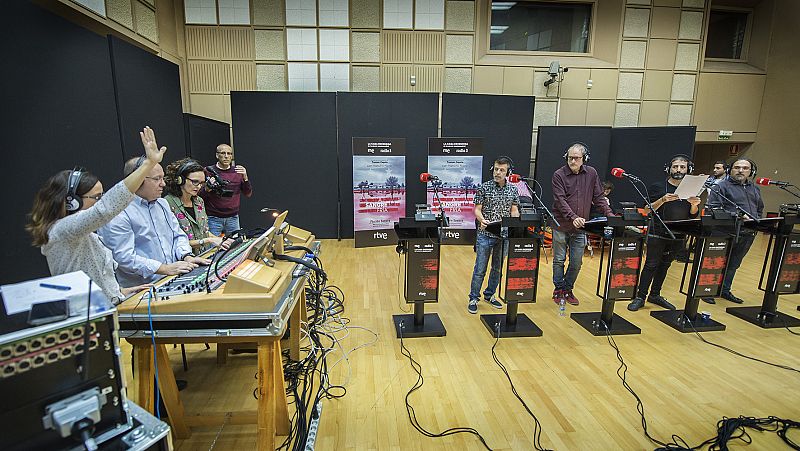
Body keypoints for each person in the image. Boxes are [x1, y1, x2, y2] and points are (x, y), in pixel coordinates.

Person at [26, 127, 166, 303]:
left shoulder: (78, 232)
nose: (100, 201)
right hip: (89, 317)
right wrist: (148, 165)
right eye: (96, 197)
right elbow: (105, 209)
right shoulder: (63, 229)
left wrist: (119, 291)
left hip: (104, 306)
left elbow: (94, 278)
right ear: (71, 201)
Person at [99, 154, 212, 287]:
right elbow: (124, 257)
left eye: (162, 178)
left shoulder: (162, 204)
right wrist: (164, 268)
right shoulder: (117, 212)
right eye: (157, 179)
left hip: (172, 278)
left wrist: (186, 256)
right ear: (137, 179)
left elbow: (178, 235)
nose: (163, 183)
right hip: (143, 289)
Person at [627, 155, 701, 311]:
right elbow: (647, 209)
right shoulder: (658, 186)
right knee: (651, 265)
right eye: (675, 166)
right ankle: (640, 297)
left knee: (665, 265)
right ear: (669, 168)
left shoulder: (692, 189)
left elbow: (693, 215)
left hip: (679, 234)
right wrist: (662, 200)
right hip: (658, 231)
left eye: (682, 167)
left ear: (688, 169)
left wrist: (694, 205)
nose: (678, 170)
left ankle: (655, 294)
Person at [551, 143, 613, 306]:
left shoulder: (591, 173)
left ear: (584, 159)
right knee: (558, 259)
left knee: (577, 261)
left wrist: (610, 215)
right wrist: (572, 216)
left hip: (581, 226)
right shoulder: (559, 175)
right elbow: (560, 200)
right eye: (570, 157)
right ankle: (558, 289)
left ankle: (567, 289)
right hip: (561, 224)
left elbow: (599, 197)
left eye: (576, 158)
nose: (572, 161)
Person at [705, 158, 764, 304]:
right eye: (737, 167)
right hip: (724, 232)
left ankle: (725, 290)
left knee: (734, 264)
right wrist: (736, 215)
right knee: (715, 264)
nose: (741, 170)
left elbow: (759, 208)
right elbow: (713, 208)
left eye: (745, 168)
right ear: (730, 169)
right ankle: (707, 291)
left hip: (747, 233)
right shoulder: (720, 187)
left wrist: (756, 220)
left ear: (751, 172)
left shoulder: (754, 188)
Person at [468, 156, 520, 314]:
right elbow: (477, 209)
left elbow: (514, 210)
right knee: (480, 268)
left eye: (501, 170)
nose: (497, 172)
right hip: (485, 233)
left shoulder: (513, 190)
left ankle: (490, 295)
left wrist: (515, 221)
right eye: (496, 169)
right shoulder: (484, 188)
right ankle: (473, 297)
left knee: (497, 268)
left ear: (508, 172)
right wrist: (482, 220)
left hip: (503, 236)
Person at [163, 158, 228, 255]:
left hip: (203, 255)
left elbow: (204, 231)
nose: (198, 186)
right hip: (184, 261)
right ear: (180, 180)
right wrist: (209, 240)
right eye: (195, 182)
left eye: (201, 183)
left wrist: (219, 239)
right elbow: (173, 241)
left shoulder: (199, 201)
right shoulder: (166, 203)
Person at [200, 144, 252, 236]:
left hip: (233, 217)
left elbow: (248, 193)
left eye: (229, 153)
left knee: (235, 245)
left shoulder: (237, 172)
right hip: (213, 217)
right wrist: (208, 188)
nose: (226, 156)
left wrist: (245, 177)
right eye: (223, 153)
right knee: (212, 247)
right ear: (217, 155)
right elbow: (199, 195)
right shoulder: (208, 171)